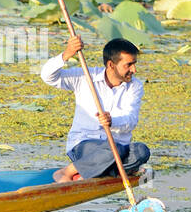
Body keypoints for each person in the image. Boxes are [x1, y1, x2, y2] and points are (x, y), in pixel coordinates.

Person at [42, 35, 148, 183]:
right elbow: (48, 77)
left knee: (141, 151)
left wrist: (113, 121)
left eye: (134, 64)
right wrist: (67, 53)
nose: (134, 70)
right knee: (112, 150)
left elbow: (131, 120)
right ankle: (66, 172)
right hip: (85, 144)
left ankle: (98, 170)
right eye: (128, 65)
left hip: (118, 147)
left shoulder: (135, 86)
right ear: (111, 65)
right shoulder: (85, 76)